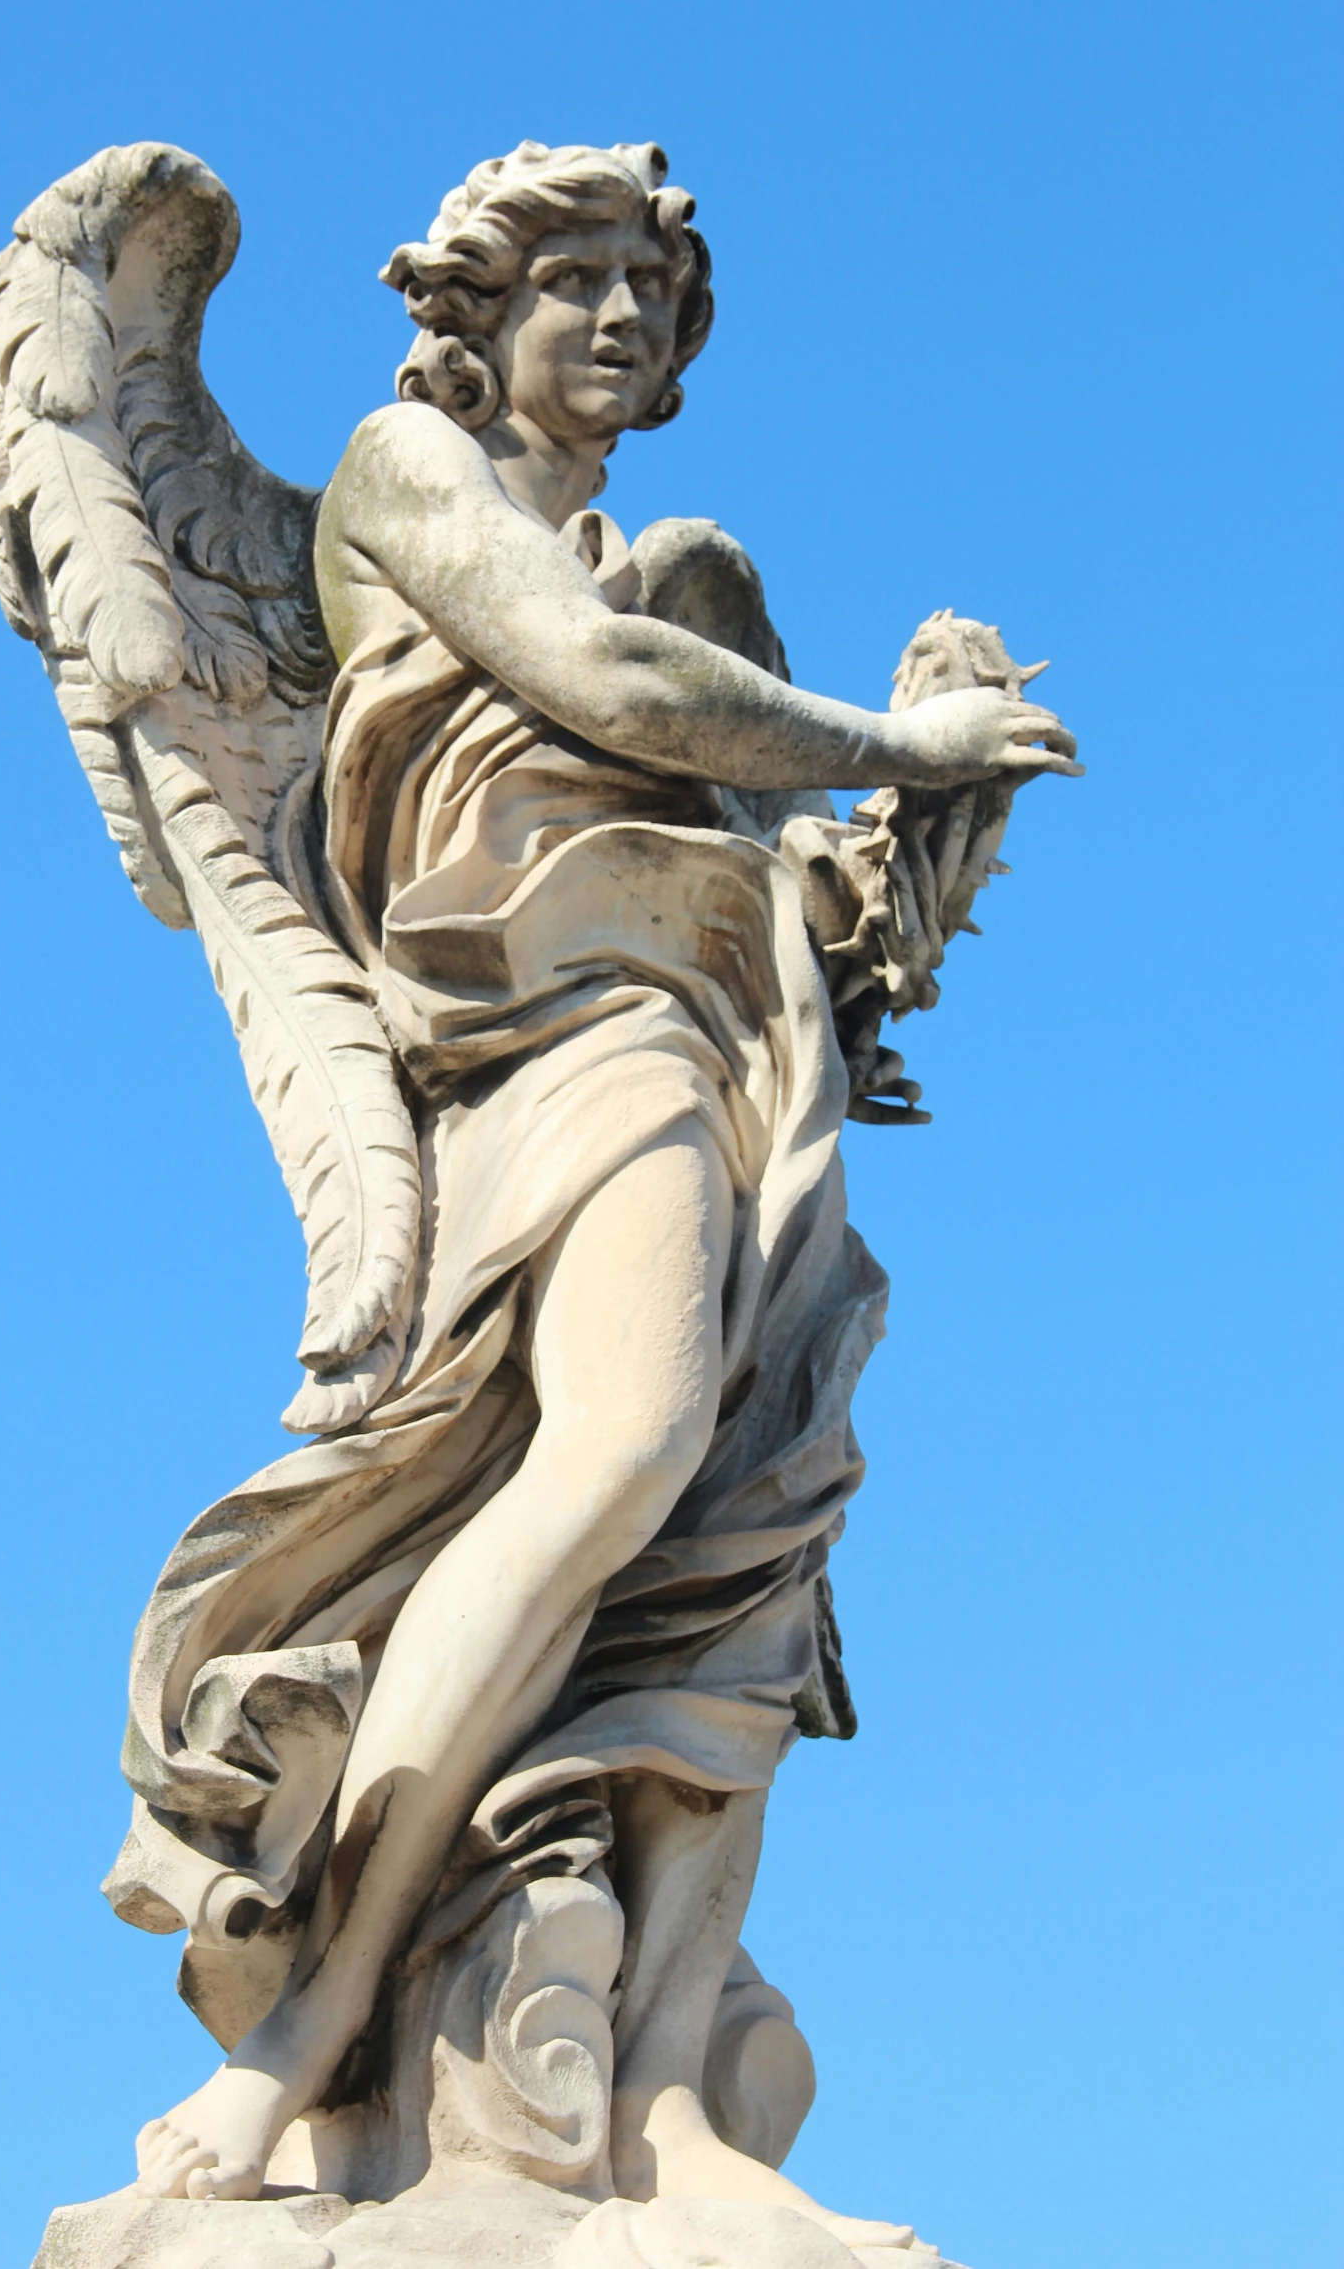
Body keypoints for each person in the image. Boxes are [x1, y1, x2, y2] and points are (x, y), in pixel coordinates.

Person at [132, 141, 1078, 2220]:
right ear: (479, 311)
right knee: (621, 1444)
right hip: (566, 1046)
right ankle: (313, 2024)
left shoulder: (670, 564)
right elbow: (610, 690)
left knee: (745, 1546)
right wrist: (893, 746)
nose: (624, 318)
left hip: (749, 1059)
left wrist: (888, 876)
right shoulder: (406, 474)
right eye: (577, 280)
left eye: (654, 290)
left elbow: (738, 843)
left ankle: (664, 2104)